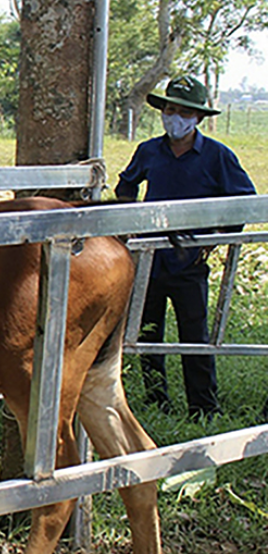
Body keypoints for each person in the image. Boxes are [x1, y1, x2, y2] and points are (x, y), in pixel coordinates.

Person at [115, 74, 256, 420]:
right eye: (170, 110)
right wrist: (128, 230)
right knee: (148, 334)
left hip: (189, 262)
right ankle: (155, 400)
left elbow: (244, 201)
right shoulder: (149, 150)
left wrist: (216, 237)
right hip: (149, 260)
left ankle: (204, 408)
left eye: (184, 113)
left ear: (198, 118)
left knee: (196, 336)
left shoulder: (218, 157)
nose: (174, 118)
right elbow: (126, 186)